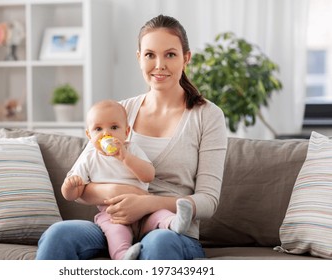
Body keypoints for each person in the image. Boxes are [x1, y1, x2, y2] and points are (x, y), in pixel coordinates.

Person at [36, 14, 227, 260]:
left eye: (170, 54)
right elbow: (80, 183)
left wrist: (147, 203)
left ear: (186, 58)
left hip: (170, 231)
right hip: (114, 226)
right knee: (58, 235)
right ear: (139, 58)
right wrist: (118, 190)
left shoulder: (207, 116)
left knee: (159, 243)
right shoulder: (118, 112)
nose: (159, 65)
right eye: (150, 55)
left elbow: (208, 201)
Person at [62, 100, 194, 260]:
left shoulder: (131, 149)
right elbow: (74, 195)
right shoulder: (89, 158)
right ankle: (124, 256)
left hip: (144, 210)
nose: (106, 134)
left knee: (160, 215)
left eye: (114, 127)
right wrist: (70, 187)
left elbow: (148, 176)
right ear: (89, 135)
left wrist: (125, 157)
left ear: (126, 131)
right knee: (115, 234)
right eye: (98, 129)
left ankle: (175, 222)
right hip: (112, 214)